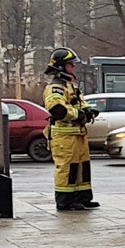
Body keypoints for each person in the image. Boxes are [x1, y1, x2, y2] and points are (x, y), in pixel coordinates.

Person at [43, 48, 98, 211]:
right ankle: (65, 201)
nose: (73, 67)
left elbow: (79, 102)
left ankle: (82, 197)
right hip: (64, 137)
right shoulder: (55, 88)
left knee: (82, 166)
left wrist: (89, 110)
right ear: (61, 66)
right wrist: (79, 115)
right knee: (67, 167)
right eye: (70, 64)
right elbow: (58, 110)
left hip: (77, 134)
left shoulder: (70, 86)